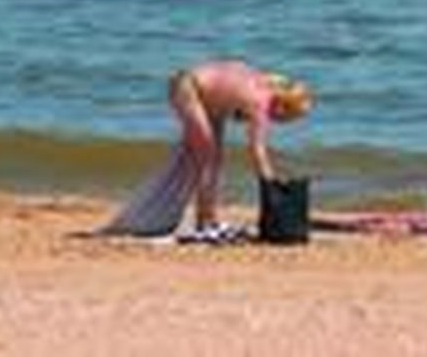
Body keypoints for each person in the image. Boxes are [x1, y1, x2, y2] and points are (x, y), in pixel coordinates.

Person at [101, 60, 313, 238]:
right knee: (207, 158)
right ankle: (205, 224)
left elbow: (227, 87)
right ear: (282, 106)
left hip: (207, 98)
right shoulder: (262, 102)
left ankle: (209, 219)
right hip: (189, 88)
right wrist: (270, 182)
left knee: (213, 159)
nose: (279, 123)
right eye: (285, 119)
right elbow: (257, 149)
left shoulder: (260, 84)